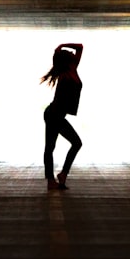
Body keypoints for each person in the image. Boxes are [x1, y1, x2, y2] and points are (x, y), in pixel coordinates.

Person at [40, 43, 84, 190]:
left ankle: (63, 174)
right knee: (50, 147)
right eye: (70, 54)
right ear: (66, 59)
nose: (73, 54)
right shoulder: (64, 72)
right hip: (53, 114)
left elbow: (80, 47)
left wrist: (64, 45)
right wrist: (59, 48)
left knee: (76, 143)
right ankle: (51, 180)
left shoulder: (73, 68)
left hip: (58, 114)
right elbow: (58, 52)